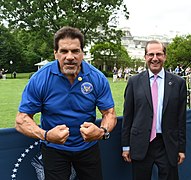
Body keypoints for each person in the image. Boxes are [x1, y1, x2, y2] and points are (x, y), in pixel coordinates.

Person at [15, 26, 117, 180]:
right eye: (64, 51)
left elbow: (109, 113)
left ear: (82, 53)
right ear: (56, 53)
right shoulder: (41, 78)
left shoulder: (97, 77)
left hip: (87, 148)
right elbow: (21, 120)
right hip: (54, 149)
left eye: (75, 51)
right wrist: (47, 135)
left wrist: (102, 132)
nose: (70, 57)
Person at [121, 40, 187, 180]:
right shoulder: (134, 82)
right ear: (145, 57)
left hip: (167, 144)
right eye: (151, 54)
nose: (155, 58)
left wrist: (181, 148)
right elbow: (128, 116)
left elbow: (181, 119)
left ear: (165, 56)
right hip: (141, 144)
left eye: (159, 54)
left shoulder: (178, 83)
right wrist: (125, 146)